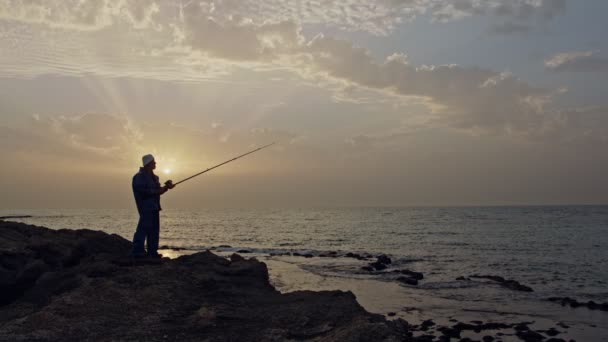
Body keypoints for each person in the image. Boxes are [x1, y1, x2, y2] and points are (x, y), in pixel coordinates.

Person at [131, 154, 174, 258]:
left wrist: (166, 187)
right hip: (146, 207)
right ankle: (137, 252)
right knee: (143, 230)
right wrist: (158, 190)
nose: (155, 163)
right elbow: (143, 192)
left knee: (154, 231)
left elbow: (158, 191)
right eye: (153, 162)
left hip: (155, 207)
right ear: (148, 164)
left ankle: (152, 252)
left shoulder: (155, 177)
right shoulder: (139, 177)